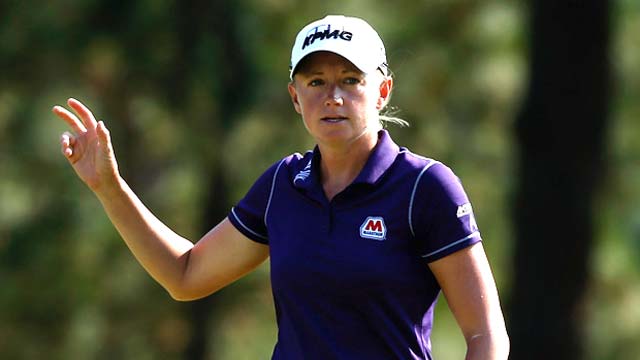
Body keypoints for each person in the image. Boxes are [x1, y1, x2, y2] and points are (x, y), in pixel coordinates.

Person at [53, 14, 509, 360]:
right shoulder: (283, 186)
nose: (333, 96)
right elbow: (185, 275)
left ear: (383, 90)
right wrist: (109, 187)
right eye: (316, 82)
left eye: (351, 81)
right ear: (295, 96)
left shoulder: (423, 188)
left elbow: (486, 335)